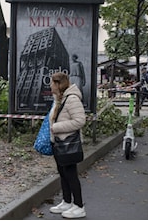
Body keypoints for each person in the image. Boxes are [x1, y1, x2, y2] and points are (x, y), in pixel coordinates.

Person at [48, 72, 87, 219]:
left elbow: (80, 120)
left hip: (68, 143)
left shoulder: (71, 99)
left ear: (58, 84)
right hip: (59, 143)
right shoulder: (59, 98)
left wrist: (57, 127)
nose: (50, 86)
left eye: (52, 83)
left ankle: (79, 206)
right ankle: (67, 201)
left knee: (71, 175)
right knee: (63, 174)